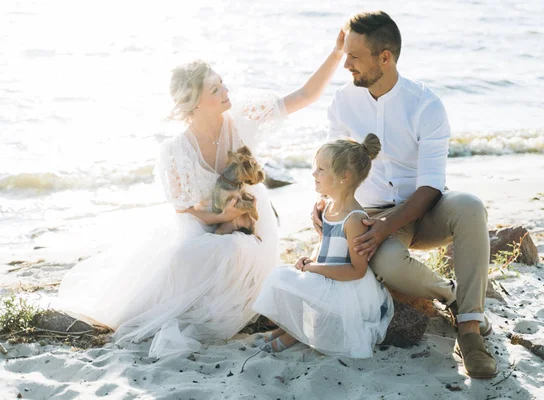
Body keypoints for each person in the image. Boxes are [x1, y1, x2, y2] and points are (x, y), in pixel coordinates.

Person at [56, 30, 346, 359]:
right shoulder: (175, 151)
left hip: (252, 220)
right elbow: (186, 211)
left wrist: (337, 53)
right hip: (208, 219)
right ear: (195, 102)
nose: (226, 91)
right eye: (215, 88)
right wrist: (222, 217)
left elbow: (305, 96)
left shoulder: (242, 118)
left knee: (235, 246)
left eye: (222, 83)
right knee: (183, 257)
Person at [312, 11, 498, 378]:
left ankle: (471, 331)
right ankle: (455, 298)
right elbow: (332, 169)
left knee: (471, 206)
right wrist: (323, 206)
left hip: (427, 208)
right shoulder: (343, 102)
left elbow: (430, 185)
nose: (345, 63)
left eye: (354, 56)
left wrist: (384, 229)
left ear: (385, 57)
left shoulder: (426, 104)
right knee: (388, 263)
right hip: (369, 211)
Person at [253, 134, 393, 358]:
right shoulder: (327, 208)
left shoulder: (354, 219)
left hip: (346, 288)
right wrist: (310, 261)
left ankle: (295, 334)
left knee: (296, 282)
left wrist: (314, 269)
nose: (313, 174)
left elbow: (357, 270)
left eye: (320, 169)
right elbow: (326, 248)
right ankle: (290, 328)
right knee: (281, 277)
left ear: (343, 177)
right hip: (326, 275)